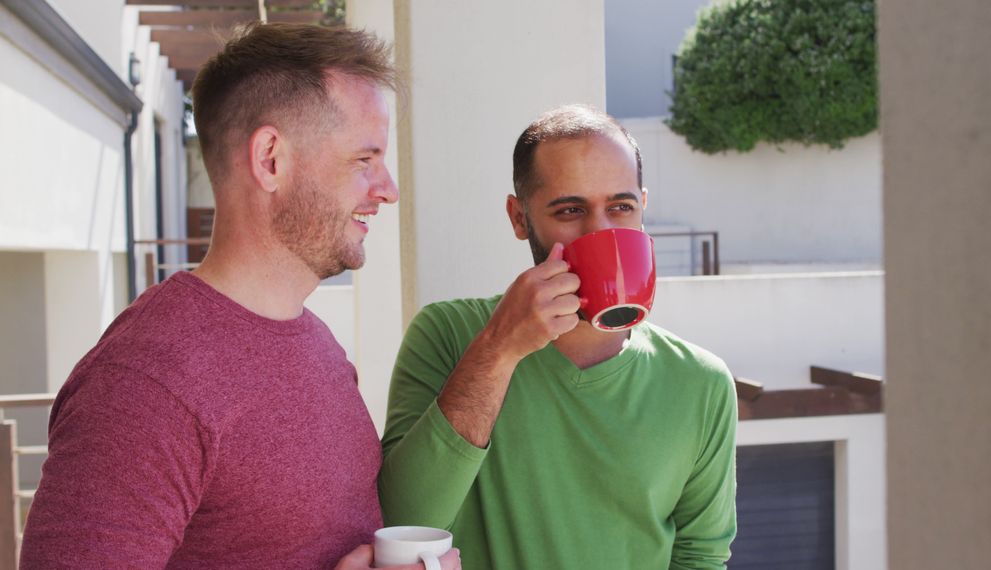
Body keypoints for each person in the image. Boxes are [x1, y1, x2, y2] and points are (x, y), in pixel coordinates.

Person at [19, 23, 458, 570]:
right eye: (363, 159)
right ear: (271, 158)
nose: (388, 188)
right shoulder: (144, 385)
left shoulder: (317, 343)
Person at [379, 104, 738, 569]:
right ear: (519, 218)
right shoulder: (448, 335)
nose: (600, 231)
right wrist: (499, 350)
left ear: (642, 208)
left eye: (620, 208)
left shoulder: (700, 382)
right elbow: (404, 519)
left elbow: (701, 557)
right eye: (570, 210)